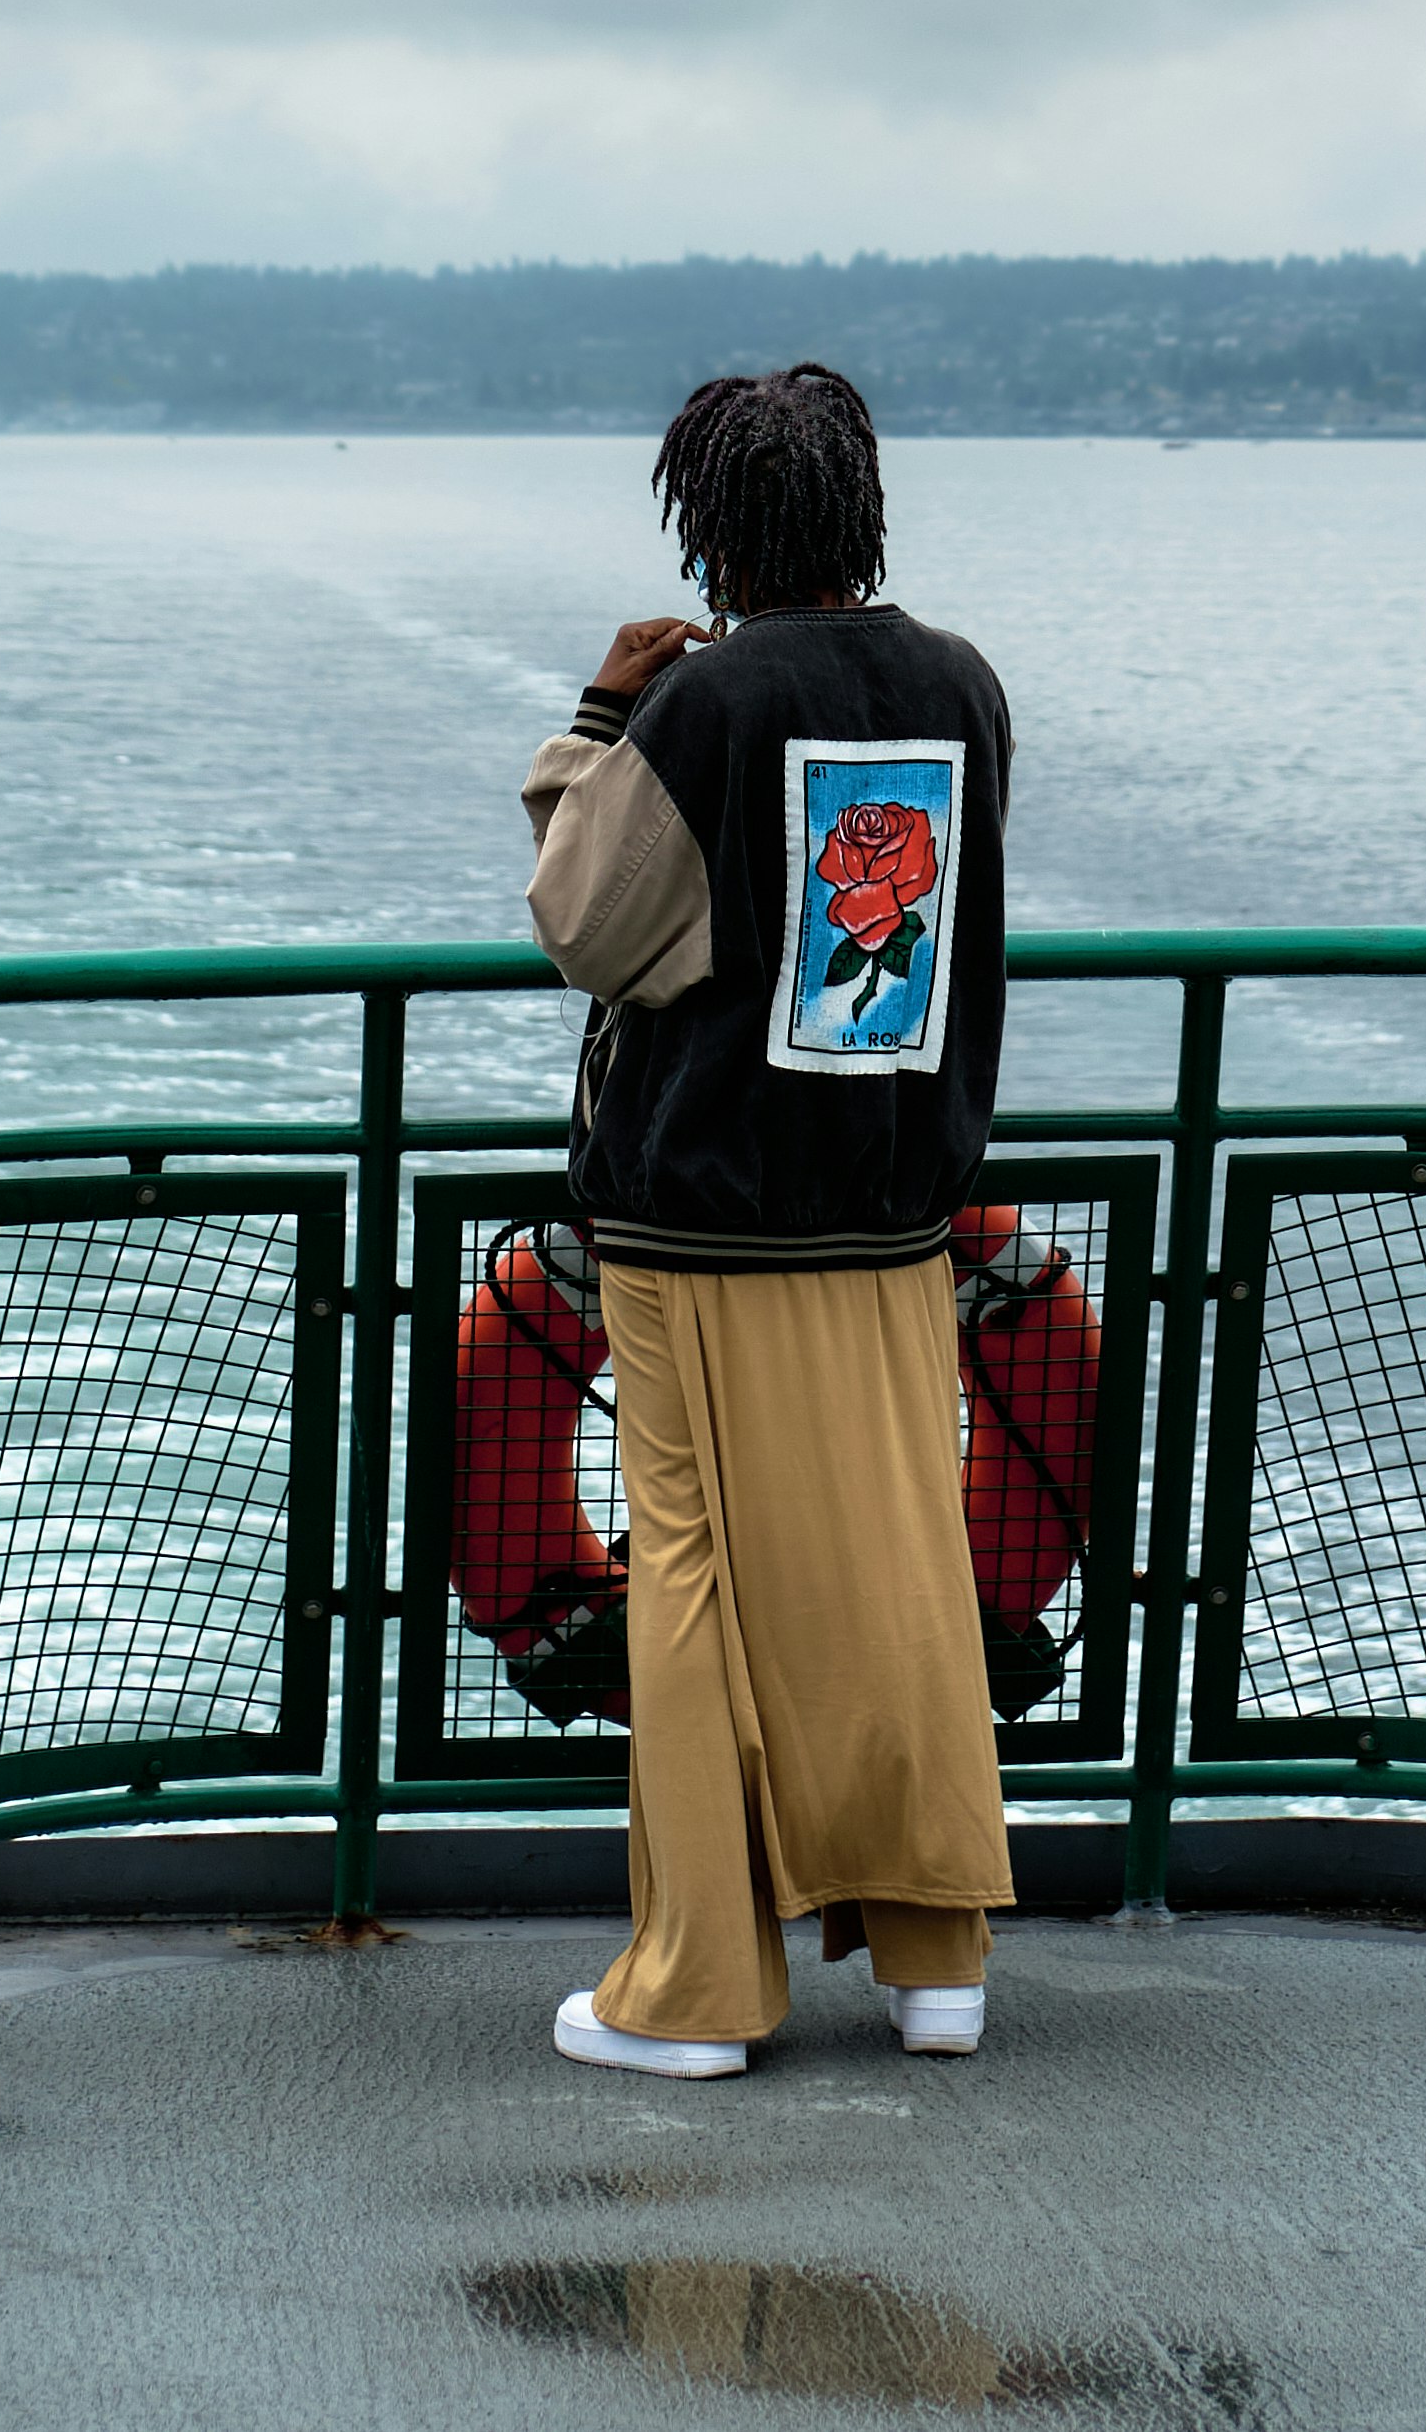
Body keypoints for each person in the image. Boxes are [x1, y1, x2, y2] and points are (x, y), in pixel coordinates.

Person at [519, 361, 1014, 2076]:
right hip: (887, 1214)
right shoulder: (958, 686)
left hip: (699, 1229)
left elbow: (583, 919)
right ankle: (934, 1962)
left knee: (692, 1575)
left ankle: (700, 1990)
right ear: (859, 508)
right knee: (894, 1564)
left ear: (709, 522)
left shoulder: (705, 708)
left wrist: (596, 714)